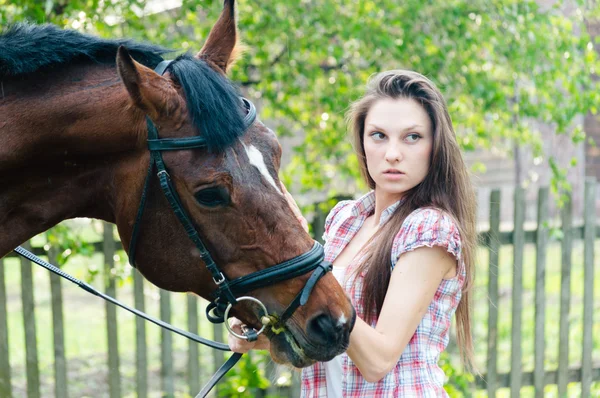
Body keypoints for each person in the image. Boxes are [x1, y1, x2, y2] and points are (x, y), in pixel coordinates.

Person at [228, 69, 477, 397]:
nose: (392, 154)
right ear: (362, 140)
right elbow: (322, 330)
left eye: (412, 137)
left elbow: (377, 360)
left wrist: (307, 274)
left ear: (435, 146)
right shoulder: (347, 219)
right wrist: (256, 330)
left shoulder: (428, 229)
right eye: (378, 135)